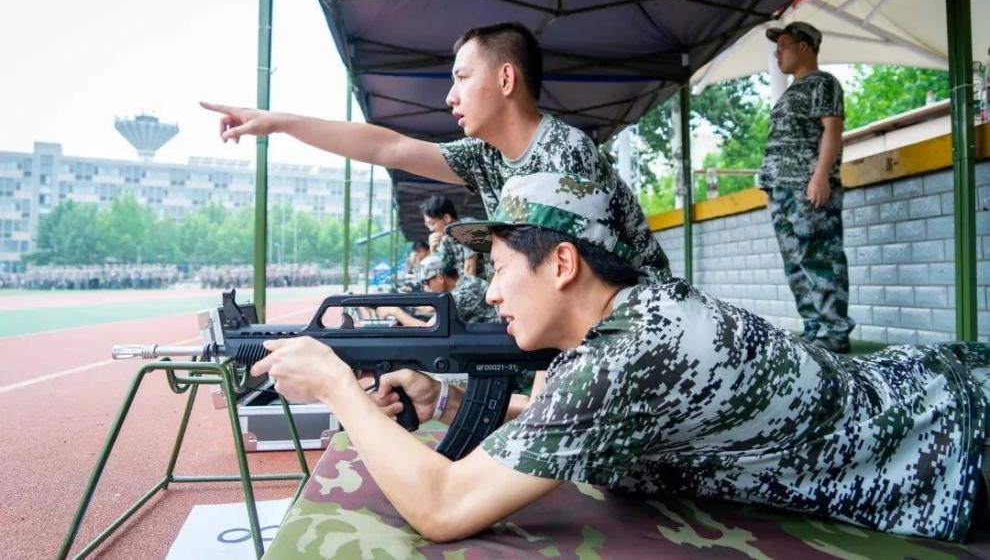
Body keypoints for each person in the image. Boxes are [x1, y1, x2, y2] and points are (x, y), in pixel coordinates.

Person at [251, 172, 990, 544]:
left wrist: (336, 385)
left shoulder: (631, 353)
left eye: (502, 268)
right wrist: (445, 400)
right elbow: (570, 421)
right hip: (934, 396)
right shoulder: (632, 325)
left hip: (959, 440)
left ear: (563, 262)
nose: (492, 292)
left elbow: (443, 508)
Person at [201, 21, 671, 284]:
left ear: (506, 80)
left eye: (462, 78)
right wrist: (278, 122)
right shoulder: (485, 155)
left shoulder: (566, 153)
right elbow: (391, 146)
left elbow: (579, 285)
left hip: (639, 323)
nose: (450, 96)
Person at [760, 21, 854, 354]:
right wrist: (772, 192)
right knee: (796, 264)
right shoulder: (791, 92)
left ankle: (834, 331)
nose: (777, 53)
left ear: (805, 47)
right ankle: (815, 328)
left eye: (783, 45)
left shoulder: (823, 83)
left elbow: (832, 131)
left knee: (820, 259)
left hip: (806, 187)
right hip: (783, 191)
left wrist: (820, 176)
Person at [378, 254, 498, 326]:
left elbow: (429, 329)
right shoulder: (465, 283)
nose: (425, 288)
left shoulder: (463, 292)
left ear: (440, 278)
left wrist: (395, 312)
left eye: (426, 282)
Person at [419, 195, 478, 277]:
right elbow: (440, 272)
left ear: (447, 218)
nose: (431, 229)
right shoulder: (446, 238)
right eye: (427, 225)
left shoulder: (466, 228)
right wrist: (433, 250)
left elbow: (470, 269)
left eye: (432, 223)